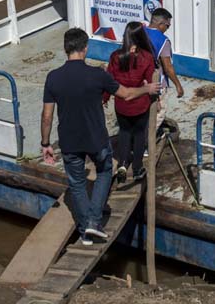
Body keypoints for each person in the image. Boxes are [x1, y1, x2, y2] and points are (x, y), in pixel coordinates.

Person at [41, 28, 159, 245]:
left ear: (65, 48)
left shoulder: (53, 77)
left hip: (69, 142)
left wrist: (45, 143)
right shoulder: (98, 75)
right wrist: (148, 89)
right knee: (104, 171)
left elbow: (47, 116)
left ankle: (86, 228)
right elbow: (127, 94)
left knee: (77, 184)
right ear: (85, 49)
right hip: (96, 139)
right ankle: (94, 222)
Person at [104, 21, 157, 183]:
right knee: (139, 135)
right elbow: (149, 82)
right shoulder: (146, 57)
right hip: (140, 104)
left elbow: (109, 80)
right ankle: (137, 168)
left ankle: (122, 163)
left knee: (124, 132)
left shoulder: (115, 56)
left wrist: (105, 98)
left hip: (121, 104)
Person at [145, 8, 185, 129]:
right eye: (167, 26)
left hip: (139, 81)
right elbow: (167, 67)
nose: (167, 29)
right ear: (160, 24)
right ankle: (147, 143)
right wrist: (178, 85)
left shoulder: (138, 32)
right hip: (156, 84)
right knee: (158, 114)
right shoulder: (163, 41)